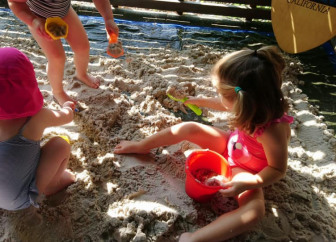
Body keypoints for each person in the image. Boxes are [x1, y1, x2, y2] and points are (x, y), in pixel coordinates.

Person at [114, 46, 294, 241]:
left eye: (220, 92)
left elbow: (277, 169)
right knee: (188, 127)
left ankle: (195, 239)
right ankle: (142, 146)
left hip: (245, 169)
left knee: (254, 212)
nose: (218, 97)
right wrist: (199, 101)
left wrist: (251, 182)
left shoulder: (272, 130)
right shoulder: (251, 103)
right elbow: (224, 103)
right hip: (231, 144)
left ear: (243, 100)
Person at [0, 47, 76, 211]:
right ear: (29, 84)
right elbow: (66, 117)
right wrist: (67, 107)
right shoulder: (37, 117)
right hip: (19, 200)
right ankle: (52, 184)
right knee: (60, 145)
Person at [7, 0, 120, 105]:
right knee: (57, 58)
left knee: (83, 47)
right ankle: (58, 92)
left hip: (64, 12)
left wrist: (108, 19)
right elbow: (15, 3)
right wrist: (34, 21)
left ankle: (81, 74)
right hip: (37, 17)